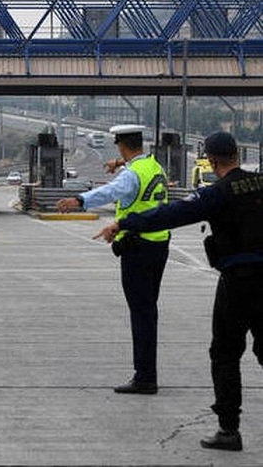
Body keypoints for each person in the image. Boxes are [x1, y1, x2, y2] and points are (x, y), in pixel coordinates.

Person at [95, 131, 263, 452]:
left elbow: (169, 214)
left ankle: (229, 430)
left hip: (239, 282)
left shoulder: (218, 192)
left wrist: (125, 223)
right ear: (238, 156)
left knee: (225, 354)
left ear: (211, 160)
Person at [56, 124, 170, 394]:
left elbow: (111, 192)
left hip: (137, 249)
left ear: (121, 144)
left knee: (141, 314)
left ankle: (145, 377)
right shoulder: (154, 166)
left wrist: (79, 199)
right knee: (148, 311)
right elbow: (133, 172)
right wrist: (119, 163)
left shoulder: (131, 175)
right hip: (158, 246)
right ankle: (146, 372)